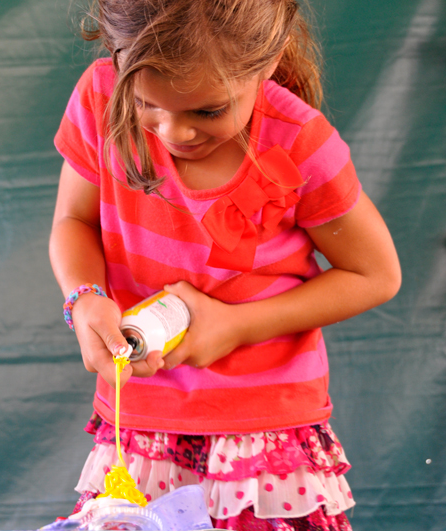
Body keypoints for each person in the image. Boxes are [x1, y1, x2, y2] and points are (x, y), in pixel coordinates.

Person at [49, 1, 401, 529]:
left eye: (208, 111)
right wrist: (84, 298)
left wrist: (235, 327)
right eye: (147, 104)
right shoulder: (100, 98)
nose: (174, 133)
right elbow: (73, 221)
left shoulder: (299, 144)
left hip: (264, 435)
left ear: (267, 59)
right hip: (139, 423)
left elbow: (376, 275)